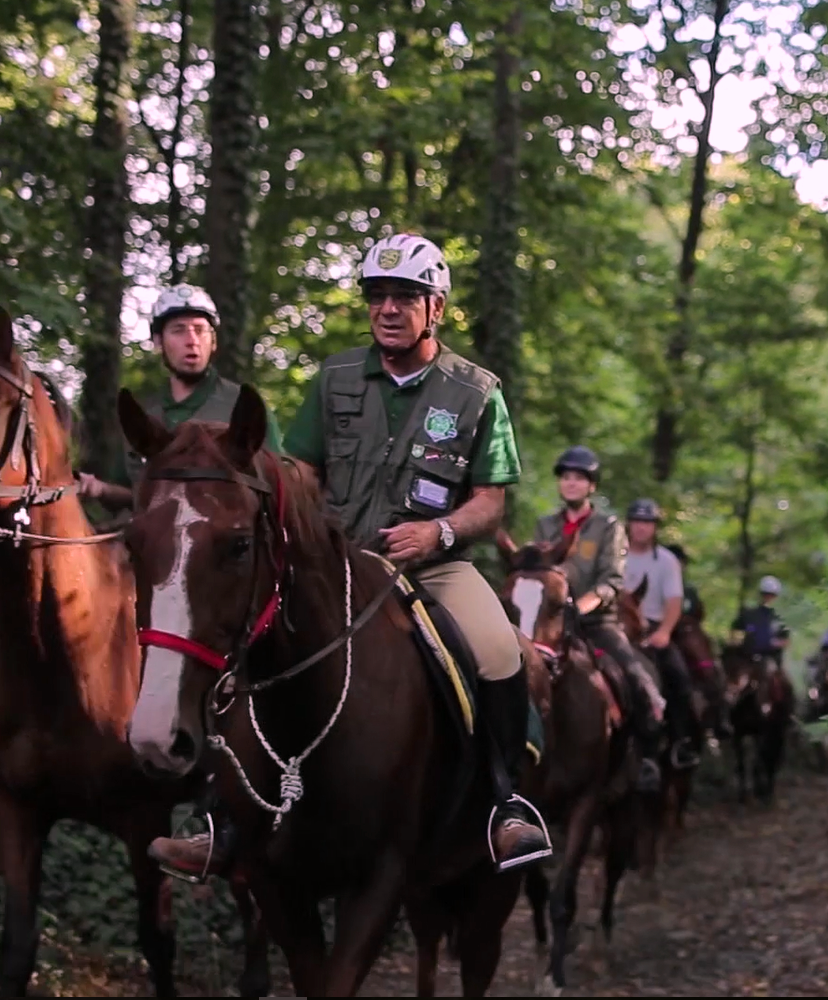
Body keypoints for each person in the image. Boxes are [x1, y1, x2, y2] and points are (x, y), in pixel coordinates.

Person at [146, 232, 551, 880]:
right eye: (377, 297)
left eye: (405, 297)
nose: (388, 309)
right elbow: (297, 468)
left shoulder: (477, 391)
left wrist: (439, 532)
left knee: (501, 651)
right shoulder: (333, 378)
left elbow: (490, 501)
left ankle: (504, 803)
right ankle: (220, 815)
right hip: (334, 562)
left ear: (435, 307)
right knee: (244, 642)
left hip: (433, 566)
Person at [76, 284, 283, 512]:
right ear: (158, 342)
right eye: (178, 330)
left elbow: (282, 488)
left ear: (213, 342)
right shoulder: (141, 416)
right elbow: (130, 493)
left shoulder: (244, 408)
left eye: (200, 329)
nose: (191, 340)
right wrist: (100, 489)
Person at [533, 446, 669, 794]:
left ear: (591, 486)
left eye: (579, 478)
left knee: (640, 680)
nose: (571, 484)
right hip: (550, 623)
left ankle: (647, 759)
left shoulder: (608, 526)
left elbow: (612, 580)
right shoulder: (545, 525)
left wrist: (581, 606)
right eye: (566, 478)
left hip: (598, 623)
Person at [622, 498, 700, 770]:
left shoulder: (667, 561)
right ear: (629, 525)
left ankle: (680, 742)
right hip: (616, 627)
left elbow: (674, 602)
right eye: (637, 522)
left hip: (655, 629)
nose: (641, 528)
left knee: (679, 678)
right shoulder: (614, 554)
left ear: (654, 528)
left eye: (648, 523)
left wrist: (665, 632)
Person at [730, 575, 793, 669]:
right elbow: (735, 631)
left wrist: (774, 643)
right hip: (746, 657)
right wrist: (739, 641)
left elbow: (786, 640)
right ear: (760, 594)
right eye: (765, 594)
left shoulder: (780, 619)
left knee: (778, 675)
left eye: (772, 595)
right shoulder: (748, 614)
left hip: (770, 658)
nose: (768, 597)